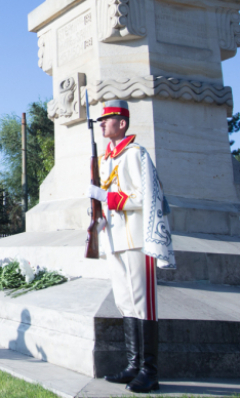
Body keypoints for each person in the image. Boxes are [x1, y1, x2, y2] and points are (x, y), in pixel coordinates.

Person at [86, 100, 175, 394]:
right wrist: (98, 215)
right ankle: (133, 365)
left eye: (107, 119)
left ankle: (150, 371)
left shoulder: (136, 154)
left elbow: (148, 197)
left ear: (121, 123)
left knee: (143, 303)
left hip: (137, 239)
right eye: (100, 120)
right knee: (125, 301)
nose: (101, 124)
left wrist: (111, 200)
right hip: (115, 239)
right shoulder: (106, 160)